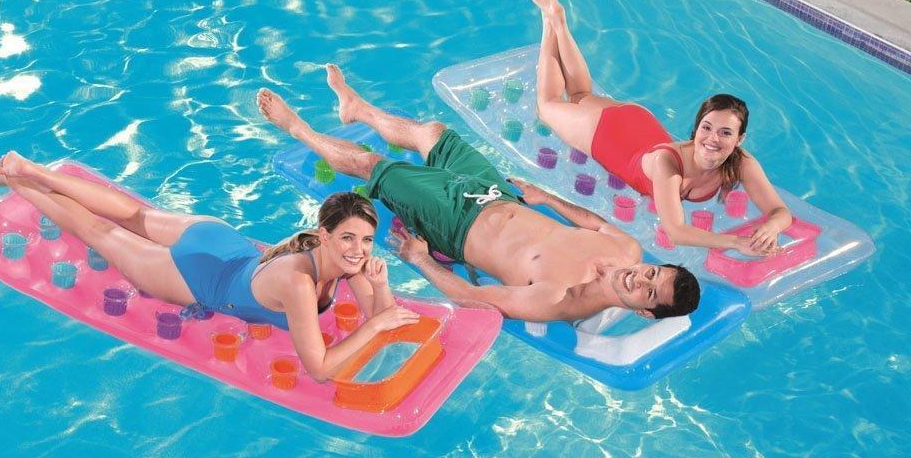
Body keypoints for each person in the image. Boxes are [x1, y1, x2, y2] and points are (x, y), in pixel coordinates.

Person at [256, 65, 700, 323]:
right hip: (498, 196)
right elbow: (594, 221)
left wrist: (420, 258)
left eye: (646, 292)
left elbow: (472, 298)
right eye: (652, 273)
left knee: (374, 166)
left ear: (643, 311)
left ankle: (297, 128)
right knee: (433, 133)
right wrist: (547, 199)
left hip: (455, 223)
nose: (639, 278)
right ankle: (359, 110)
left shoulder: (559, 299)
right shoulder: (626, 247)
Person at [0, 152, 419, 381]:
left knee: (135, 215)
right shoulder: (299, 283)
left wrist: (379, 287)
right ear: (324, 236)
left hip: (221, 239)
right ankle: (20, 181)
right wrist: (375, 327)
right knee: (103, 233)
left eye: (365, 239)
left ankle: (33, 170)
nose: (360, 249)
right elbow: (321, 370)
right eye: (349, 238)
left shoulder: (350, 259)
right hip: (199, 278)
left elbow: (382, 315)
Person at [527, 0, 792, 256]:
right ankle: (552, 22)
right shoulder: (668, 164)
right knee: (547, 105)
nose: (713, 139)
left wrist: (772, 227)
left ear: (739, 139)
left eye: (725, 133)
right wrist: (736, 242)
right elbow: (676, 231)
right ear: (697, 128)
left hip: (639, 124)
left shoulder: (742, 162)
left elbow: (781, 212)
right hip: (606, 133)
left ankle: (558, 24)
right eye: (707, 128)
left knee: (581, 96)